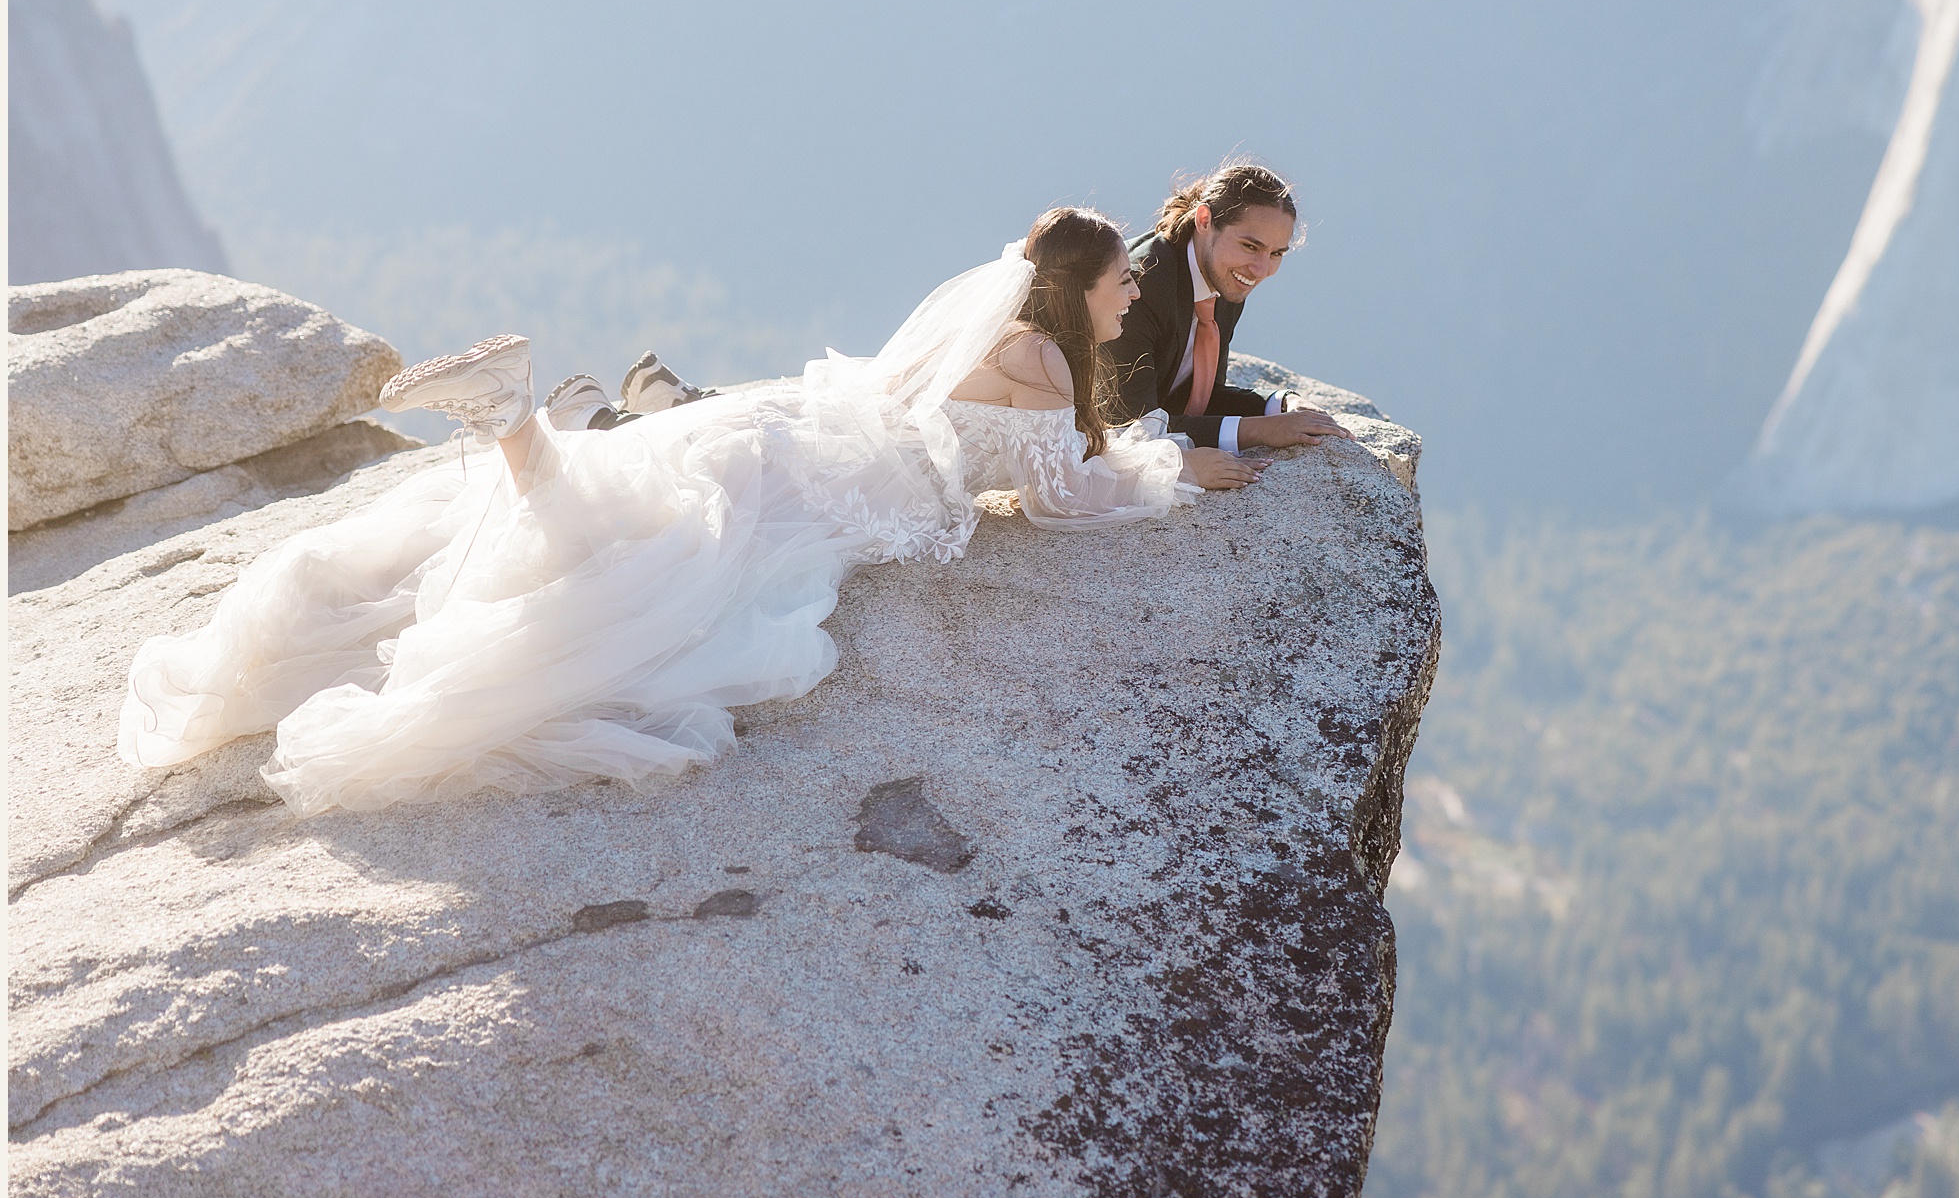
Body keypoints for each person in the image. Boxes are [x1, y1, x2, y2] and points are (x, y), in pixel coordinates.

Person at [117, 207, 1255, 818]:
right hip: (861, 487)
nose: (1127, 298)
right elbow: (1058, 499)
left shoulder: (1002, 341)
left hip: (804, 432)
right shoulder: (1049, 367)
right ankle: (518, 423)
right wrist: (1173, 474)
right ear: (1074, 288)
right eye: (1116, 285)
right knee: (663, 589)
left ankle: (521, 424)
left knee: (647, 520)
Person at [1102, 161, 1353, 457]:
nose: (1261, 269)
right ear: (1204, 220)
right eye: (1250, 246)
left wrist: (1279, 405)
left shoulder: (1224, 276)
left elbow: (1197, 397)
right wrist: (1262, 430)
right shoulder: (1138, 289)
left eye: (1276, 254)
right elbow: (1130, 428)